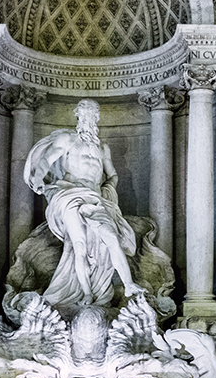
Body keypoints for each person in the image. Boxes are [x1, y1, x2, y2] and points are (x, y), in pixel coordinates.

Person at [23, 99, 147, 308]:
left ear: (97, 118)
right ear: (78, 116)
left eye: (93, 114)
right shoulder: (67, 139)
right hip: (69, 194)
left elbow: (112, 174)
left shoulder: (102, 147)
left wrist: (108, 189)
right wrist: (37, 179)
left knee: (110, 237)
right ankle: (87, 294)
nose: (89, 118)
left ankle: (129, 285)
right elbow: (46, 161)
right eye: (84, 114)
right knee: (78, 245)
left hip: (96, 198)